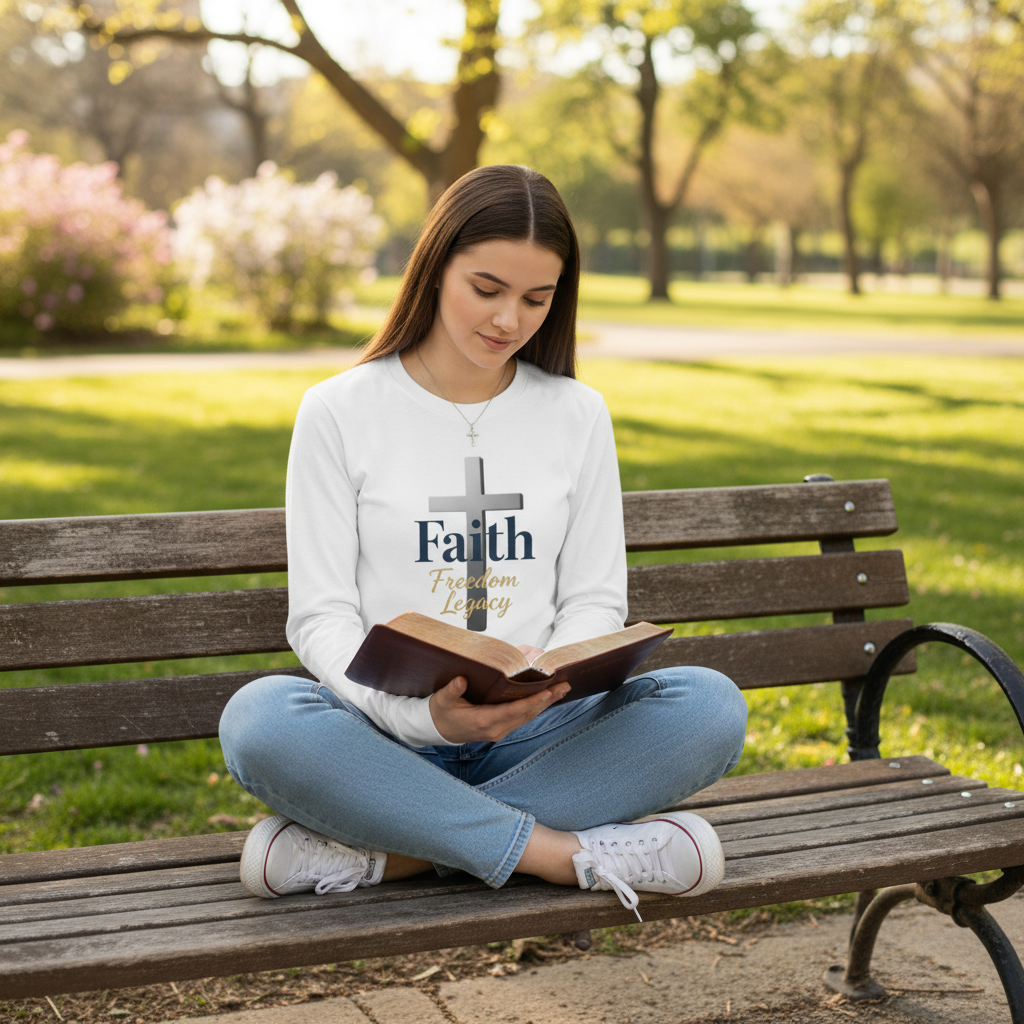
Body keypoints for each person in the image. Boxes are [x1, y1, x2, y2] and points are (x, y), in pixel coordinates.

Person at [218, 164, 747, 921]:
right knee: (260, 719)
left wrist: (542, 686)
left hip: (540, 730)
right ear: (436, 269)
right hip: (385, 734)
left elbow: (595, 596)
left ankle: (386, 850)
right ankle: (566, 857)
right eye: (487, 288)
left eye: (538, 298)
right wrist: (423, 720)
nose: (509, 320)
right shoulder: (340, 410)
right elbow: (322, 616)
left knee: (709, 707)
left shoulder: (577, 413)